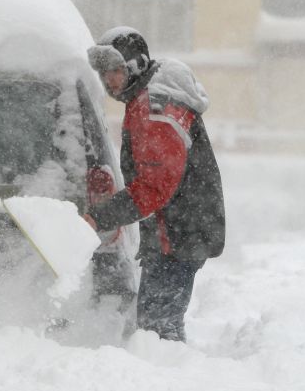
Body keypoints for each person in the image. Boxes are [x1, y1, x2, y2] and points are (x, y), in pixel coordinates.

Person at [83, 26, 225, 342]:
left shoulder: (155, 110)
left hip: (179, 234)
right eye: (105, 73)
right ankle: (166, 375)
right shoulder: (147, 99)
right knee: (155, 325)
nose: (109, 81)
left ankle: (169, 383)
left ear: (136, 66)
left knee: (157, 329)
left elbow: (154, 187)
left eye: (116, 72)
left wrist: (101, 215)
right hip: (178, 230)